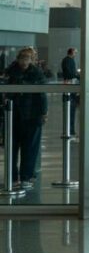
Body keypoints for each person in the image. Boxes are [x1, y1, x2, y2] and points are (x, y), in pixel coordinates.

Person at [5, 48, 48, 189]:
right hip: (17, 114)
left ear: (32, 59)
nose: (24, 61)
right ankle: (18, 177)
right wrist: (43, 112)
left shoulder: (15, 71)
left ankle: (23, 177)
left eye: (27, 58)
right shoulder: (16, 72)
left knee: (27, 147)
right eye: (22, 57)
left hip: (28, 115)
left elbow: (42, 95)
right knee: (18, 147)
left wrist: (43, 112)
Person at [61, 47, 80, 137]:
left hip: (68, 85)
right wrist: (77, 76)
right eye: (75, 53)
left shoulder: (66, 60)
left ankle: (70, 129)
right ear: (71, 52)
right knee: (71, 109)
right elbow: (70, 73)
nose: (75, 54)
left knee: (70, 109)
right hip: (70, 86)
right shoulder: (69, 60)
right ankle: (70, 129)